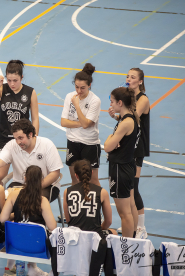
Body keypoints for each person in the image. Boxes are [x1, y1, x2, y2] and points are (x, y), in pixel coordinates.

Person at [0, 60, 39, 184]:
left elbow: (35, 118)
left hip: (22, 139)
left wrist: (33, 138)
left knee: (26, 179)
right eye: (9, 80)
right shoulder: (3, 89)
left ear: (21, 78)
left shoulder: (30, 92)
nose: (12, 83)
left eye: (15, 80)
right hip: (4, 139)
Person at [108, 68, 149, 239]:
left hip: (131, 153)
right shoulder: (127, 113)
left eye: (133, 77)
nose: (129, 79)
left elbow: (109, 145)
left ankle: (138, 230)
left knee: (130, 197)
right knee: (130, 198)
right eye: (128, 76)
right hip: (128, 153)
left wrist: (113, 135)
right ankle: (132, 231)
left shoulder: (141, 101)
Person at [0, 119, 63, 202]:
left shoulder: (47, 145)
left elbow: (55, 173)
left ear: (30, 134)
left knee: (33, 203)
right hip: (19, 184)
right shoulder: (12, 145)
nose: (18, 142)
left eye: (21, 138)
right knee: (7, 203)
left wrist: (35, 186)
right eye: (16, 139)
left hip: (45, 185)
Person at [0, 165, 57, 276]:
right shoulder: (42, 201)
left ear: (25, 178)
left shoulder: (13, 195)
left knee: (20, 229)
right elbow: (52, 227)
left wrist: (14, 215)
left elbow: (2, 218)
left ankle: (19, 267)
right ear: (41, 180)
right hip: (37, 245)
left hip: (16, 242)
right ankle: (43, 270)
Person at [104, 87, 140, 238]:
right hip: (128, 165)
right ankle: (134, 240)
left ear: (120, 102)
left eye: (112, 101)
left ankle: (126, 246)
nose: (111, 105)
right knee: (131, 207)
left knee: (124, 214)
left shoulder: (125, 123)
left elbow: (107, 146)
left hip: (119, 170)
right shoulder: (131, 117)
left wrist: (110, 137)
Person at [60, 63, 101, 186]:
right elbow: (63, 122)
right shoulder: (69, 96)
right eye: (76, 87)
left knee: (92, 181)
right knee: (75, 180)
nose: (78, 91)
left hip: (90, 144)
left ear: (89, 85)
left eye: (82, 88)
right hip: (72, 141)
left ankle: (98, 203)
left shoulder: (95, 101)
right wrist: (81, 123)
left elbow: (86, 124)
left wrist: (77, 106)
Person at [63, 159, 117, 238]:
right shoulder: (102, 192)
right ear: (92, 173)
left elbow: (68, 220)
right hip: (94, 237)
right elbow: (108, 221)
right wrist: (99, 228)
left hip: (74, 237)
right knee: (114, 232)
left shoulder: (67, 191)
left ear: (76, 175)